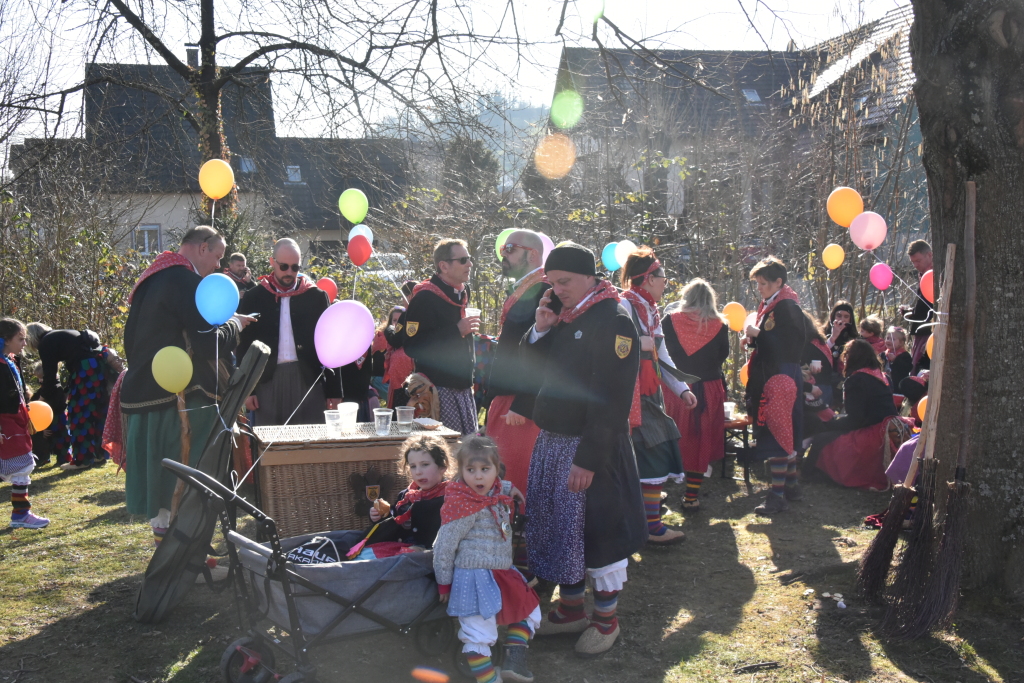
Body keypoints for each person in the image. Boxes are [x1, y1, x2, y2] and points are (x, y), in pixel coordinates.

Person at [521, 242, 645, 656]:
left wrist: (589, 459)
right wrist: (540, 328)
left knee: (596, 532)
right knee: (559, 528)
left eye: (565, 282)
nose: (558, 290)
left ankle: (606, 620)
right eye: (552, 283)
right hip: (553, 440)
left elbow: (613, 398)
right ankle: (571, 609)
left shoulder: (613, 319)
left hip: (591, 448)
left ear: (591, 277)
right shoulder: (565, 313)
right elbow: (534, 370)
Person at [120, 226, 252, 547]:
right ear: (202, 248)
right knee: (188, 483)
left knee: (162, 490)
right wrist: (236, 324)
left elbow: (129, 342)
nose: (219, 267)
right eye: (218, 256)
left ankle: (167, 558)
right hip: (180, 403)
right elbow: (209, 346)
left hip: (143, 397)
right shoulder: (187, 281)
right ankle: (188, 560)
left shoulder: (151, 278)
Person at [433, 436, 538, 683]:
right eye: (470, 470)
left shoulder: (495, 492)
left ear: (496, 469)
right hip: (474, 575)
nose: (478, 477)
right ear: (460, 472)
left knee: (527, 608)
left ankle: (514, 660)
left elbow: (496, 486)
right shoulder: (460, 504)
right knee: (478, 632)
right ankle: (489, 679)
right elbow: (443, 547)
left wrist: (509, 487)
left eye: (484, 469)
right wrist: (444, 583)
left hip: (501, 570)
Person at [618, 247, 695, 543]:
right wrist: (639, 342)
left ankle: (645, 521)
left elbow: (661, 354)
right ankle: (650, 526)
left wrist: (682, 388)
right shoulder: (624, 306)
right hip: (630, 395)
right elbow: (613, 346)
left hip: (650, 393)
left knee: (651, 452)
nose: (666, 282)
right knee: (648, 454)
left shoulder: (650, 310)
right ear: (648, 278)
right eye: (662, 276)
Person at [238, 238, 342, 425]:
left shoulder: (316, 297)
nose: (289, 273)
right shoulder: (254, 297)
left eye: (295, 267)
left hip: (308, 380)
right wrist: (247, 390)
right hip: (267, 381)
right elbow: (244, 345)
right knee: (270, 446)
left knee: (310, 444)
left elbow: (331, 344)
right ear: (272, 262)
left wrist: (335, 391)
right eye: (284, 266)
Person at [485, 229, 549, 497]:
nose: (503, 254)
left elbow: (543, 353)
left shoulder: (543, 290)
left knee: (516, 474)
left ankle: (520, 534)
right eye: (502, 249)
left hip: (523, 407)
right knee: (501, 471)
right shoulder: (526, 287)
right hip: (509, 398)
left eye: (510, 248)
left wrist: (523, 404)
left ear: (531, 254)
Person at [744, 256, 806, 515]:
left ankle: (777, 495)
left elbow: (789, 345)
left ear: (779, 282)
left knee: (779, 433)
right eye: (757, 284)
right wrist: (752, 341)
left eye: (764, 284)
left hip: (781, 377)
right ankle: (790, 486)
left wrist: (758, 335)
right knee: (783, 430)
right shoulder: (772, 304)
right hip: (773, 375)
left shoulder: (787, 306)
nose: (759, 288)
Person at [662, 278, 730, 512]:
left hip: (674, 388)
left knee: (666, 440)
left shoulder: (669, 321)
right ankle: (691, 497)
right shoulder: (721, 325)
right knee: (700, 442)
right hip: (708, 389)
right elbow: (722, 356)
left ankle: (655, 494)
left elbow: (660, 354)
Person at [809, 340, 913, 490]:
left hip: (873, 433)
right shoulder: (881, 376)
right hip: (888, 426)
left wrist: (828, 424)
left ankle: (812, 473)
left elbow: (855, 419)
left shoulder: (856, 380)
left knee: (823, 439)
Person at [401, 239, 480, 435]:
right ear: (443, 266)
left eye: (469, 258)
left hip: (463, 388)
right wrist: (456, 331)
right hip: (438, 391)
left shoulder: (463, 291)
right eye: (463, 260)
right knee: (445, 455)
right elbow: (412, 345)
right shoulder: (424, 297)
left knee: (466, 454)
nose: (469, 264)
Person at [25, 323, 122, 470]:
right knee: (97, 412)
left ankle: (82, 460)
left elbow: (49, 375)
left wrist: (41, 399)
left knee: (79, 414)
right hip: (98, 369)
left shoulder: (46, 342)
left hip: (85, 372)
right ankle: (99, 454)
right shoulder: (64, 333)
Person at [0, 319, 50, 529]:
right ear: (4, 340)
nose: (24, 343)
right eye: (20, 339)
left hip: (16, 421)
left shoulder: (9, 361)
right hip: (5, 424)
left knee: (20, 467)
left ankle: (21, 513)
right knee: (19, 467)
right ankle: (21, 514)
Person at [367, 434, 450, 548]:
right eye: (413, 466)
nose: (418, 472)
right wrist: (380, 517)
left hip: (428, 558)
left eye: (425, 464)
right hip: (398, 550)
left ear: (442, 466)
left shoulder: (450, 499)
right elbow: (394, 526)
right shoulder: (407, 496)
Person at [800, 311, 838, 441]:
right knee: (821, 421)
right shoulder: (818, 341)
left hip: (815, 388)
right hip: (825, 386)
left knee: (813, 424)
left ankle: (802, 454)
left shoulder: (807, 344)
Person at [901, 240, 934, 375]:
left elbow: (926, 310)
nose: (915, 265)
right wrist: (909, 312)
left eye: (918, 261)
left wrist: (911, 314)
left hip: (929, 332)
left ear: (929, 255)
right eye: (913, 262)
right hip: (921, 332)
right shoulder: (923, 276)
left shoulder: (934, 276)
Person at [824, 301, 858, 381]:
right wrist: (833, 337)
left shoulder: (855, 337)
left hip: (847, 378)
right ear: (833, 317)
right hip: (826, 377)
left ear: (850, 319)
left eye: (846, 317)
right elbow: (820, 352)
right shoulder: (822, 333)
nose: (842, 319)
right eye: (839, 316)